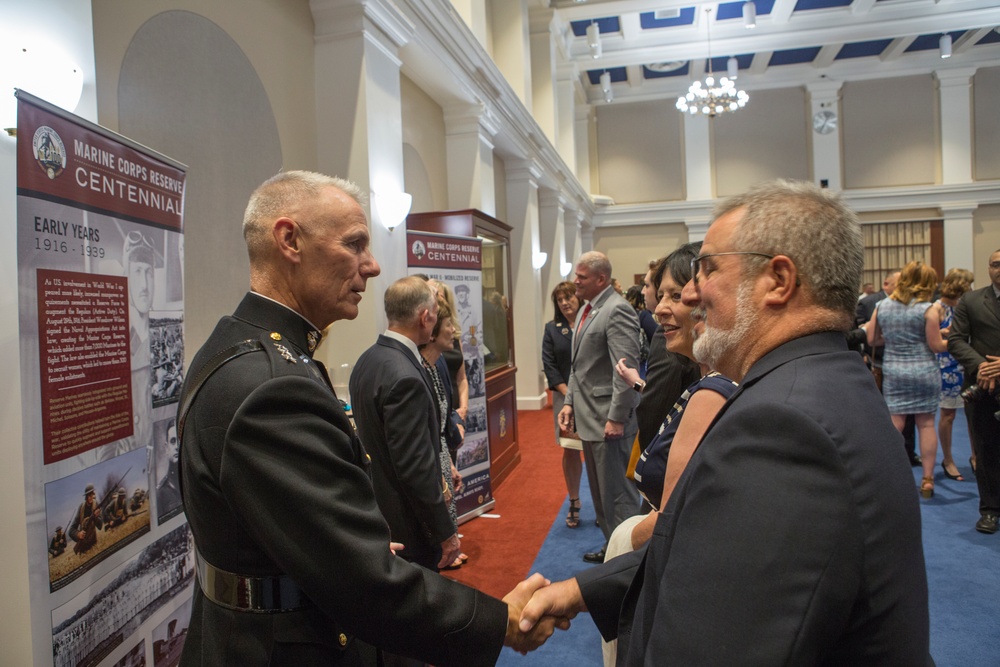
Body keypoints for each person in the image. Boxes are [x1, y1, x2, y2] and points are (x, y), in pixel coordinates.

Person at [521, 179, 930, 665]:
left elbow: (711, 638)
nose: (692, 293)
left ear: (778, 281)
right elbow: (705, 551)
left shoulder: (781, 426)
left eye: (707, 269)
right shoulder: (820, 379)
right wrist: (581, 591)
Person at [178, 171, 561, 667]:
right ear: (289, 240)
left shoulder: (240, 349)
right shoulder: (271, 383)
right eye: (355, 244)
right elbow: (361, 583)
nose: (373, 266)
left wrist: (351, 537)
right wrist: (499, 621)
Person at [614, 242, 738, 550]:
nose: (658, 309)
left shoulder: (716, 389)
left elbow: (679, 518)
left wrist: (624, 542)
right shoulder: (705, 378)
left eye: (675, 295)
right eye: (660, 295)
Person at [351, 277, 459, 577]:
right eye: (437, 312)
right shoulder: (405, 375)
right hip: (408, 524)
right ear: (426, 317)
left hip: (378, 510)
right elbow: (415, 468)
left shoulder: (368, 359)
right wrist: (445, 531)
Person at [559, 251, 642, 563]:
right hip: (589, 418)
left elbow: (625, 369)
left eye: (581, 277)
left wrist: (617, 417)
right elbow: (578, 366)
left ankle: (628, 561)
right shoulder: (588, 309)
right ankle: (613, 548)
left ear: (601, 279)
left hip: (609, 421)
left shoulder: (616, 310)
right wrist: (569, 403)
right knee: (601, 496)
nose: (575, 281)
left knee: (618, 496)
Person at [866, 260, 947, 498]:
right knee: (926, 424)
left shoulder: (882, 305)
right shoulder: (928, 308)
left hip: (895, 370)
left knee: (895, 424)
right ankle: (928, 480)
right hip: (924, 371)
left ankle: (888, 476)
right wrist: (953, 340)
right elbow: (935, 346)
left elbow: (872, 339)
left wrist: (894, 340)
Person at [947, 248, 1000, 534]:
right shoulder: (971, 300)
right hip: (983, 388)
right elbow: (955, 341)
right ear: (989, 268)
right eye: (995, 264)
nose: (999, 268)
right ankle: (990, 510)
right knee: (986, 449)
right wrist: (982, 366)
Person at [418, 296, 466, 568]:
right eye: (449, 325)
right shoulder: (419, 371)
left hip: (440, 463)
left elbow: (437, 428)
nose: (454, 331)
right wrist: (441, 478)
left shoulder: (436, 367)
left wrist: (448, 465)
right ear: (433, 331)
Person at [858, 270, 920, 466]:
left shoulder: (913, 303)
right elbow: (859, 330)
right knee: (880, 411)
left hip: (907, 365)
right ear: (887, 284)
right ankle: (881, 454)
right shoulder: (869, 303)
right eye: (902, 283)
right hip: (877, 363)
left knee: (907, 413)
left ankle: (908, 451)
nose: (907, 287)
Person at [541, 281, 584, 529]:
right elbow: (550, 366)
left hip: (591, 398)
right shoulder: (552, 329)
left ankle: (603, 504)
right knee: (570, 448)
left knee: (596, 450)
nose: (565, 302)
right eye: (560, 300)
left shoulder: (591, 320)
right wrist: (569, 394)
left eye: (569, 297)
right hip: (564, 398)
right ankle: (575, 501)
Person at [934, 268, 975, 481]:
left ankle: (976, 456)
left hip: (966, 364)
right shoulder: (937, 308)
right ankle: (948, 459)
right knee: (948, 415)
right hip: (945, 366)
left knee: (972, 414)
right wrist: (944, 332)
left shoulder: (967, 306)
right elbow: (929, 337)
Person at [156, 418, 182, 517]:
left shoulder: (192, 479)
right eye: (173, 441)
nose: (177, 446)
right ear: (166, 448)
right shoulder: (160, 494)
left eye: (179, 440)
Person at [69, 484, 103, 555]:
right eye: (89, 495)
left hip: (93, 542)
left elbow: (100, 526)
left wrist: (96, 517)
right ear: (86, 496)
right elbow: (71, 530)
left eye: (92, 495)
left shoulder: (96, 504)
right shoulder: (81, 508)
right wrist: (78, 534)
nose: (91, 497)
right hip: (83, 544)